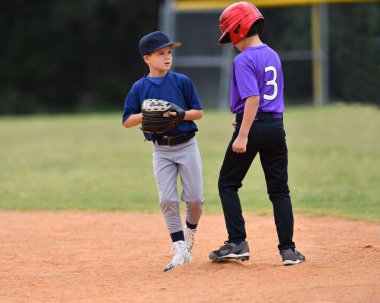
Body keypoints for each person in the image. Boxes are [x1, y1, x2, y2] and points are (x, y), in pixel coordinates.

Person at [208, 2, 305, 265]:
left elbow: (253, 98)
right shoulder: (272, 54)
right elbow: (263, 98)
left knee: (227, 183)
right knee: (279, 191)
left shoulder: (243, 59)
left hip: (253, 127)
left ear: (239, 30)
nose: (232, 43)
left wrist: (243, 133)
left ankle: (237, 241)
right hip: (275, 127)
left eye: (231, 37)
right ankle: (288, 251)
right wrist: (241, 120)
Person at [122, 31, 204, 272]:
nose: (167, 57)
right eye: (161, 53)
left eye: (169, 52)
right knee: (167, 200)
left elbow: (198, 112)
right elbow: (127, 120)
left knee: (195, 200)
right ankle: (179, 248)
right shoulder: (140, 87)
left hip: (187, 144)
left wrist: (180, 114)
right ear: (147, 58)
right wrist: (147, 115)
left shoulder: (181, 81)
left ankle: (190, 233)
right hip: (161, 150)